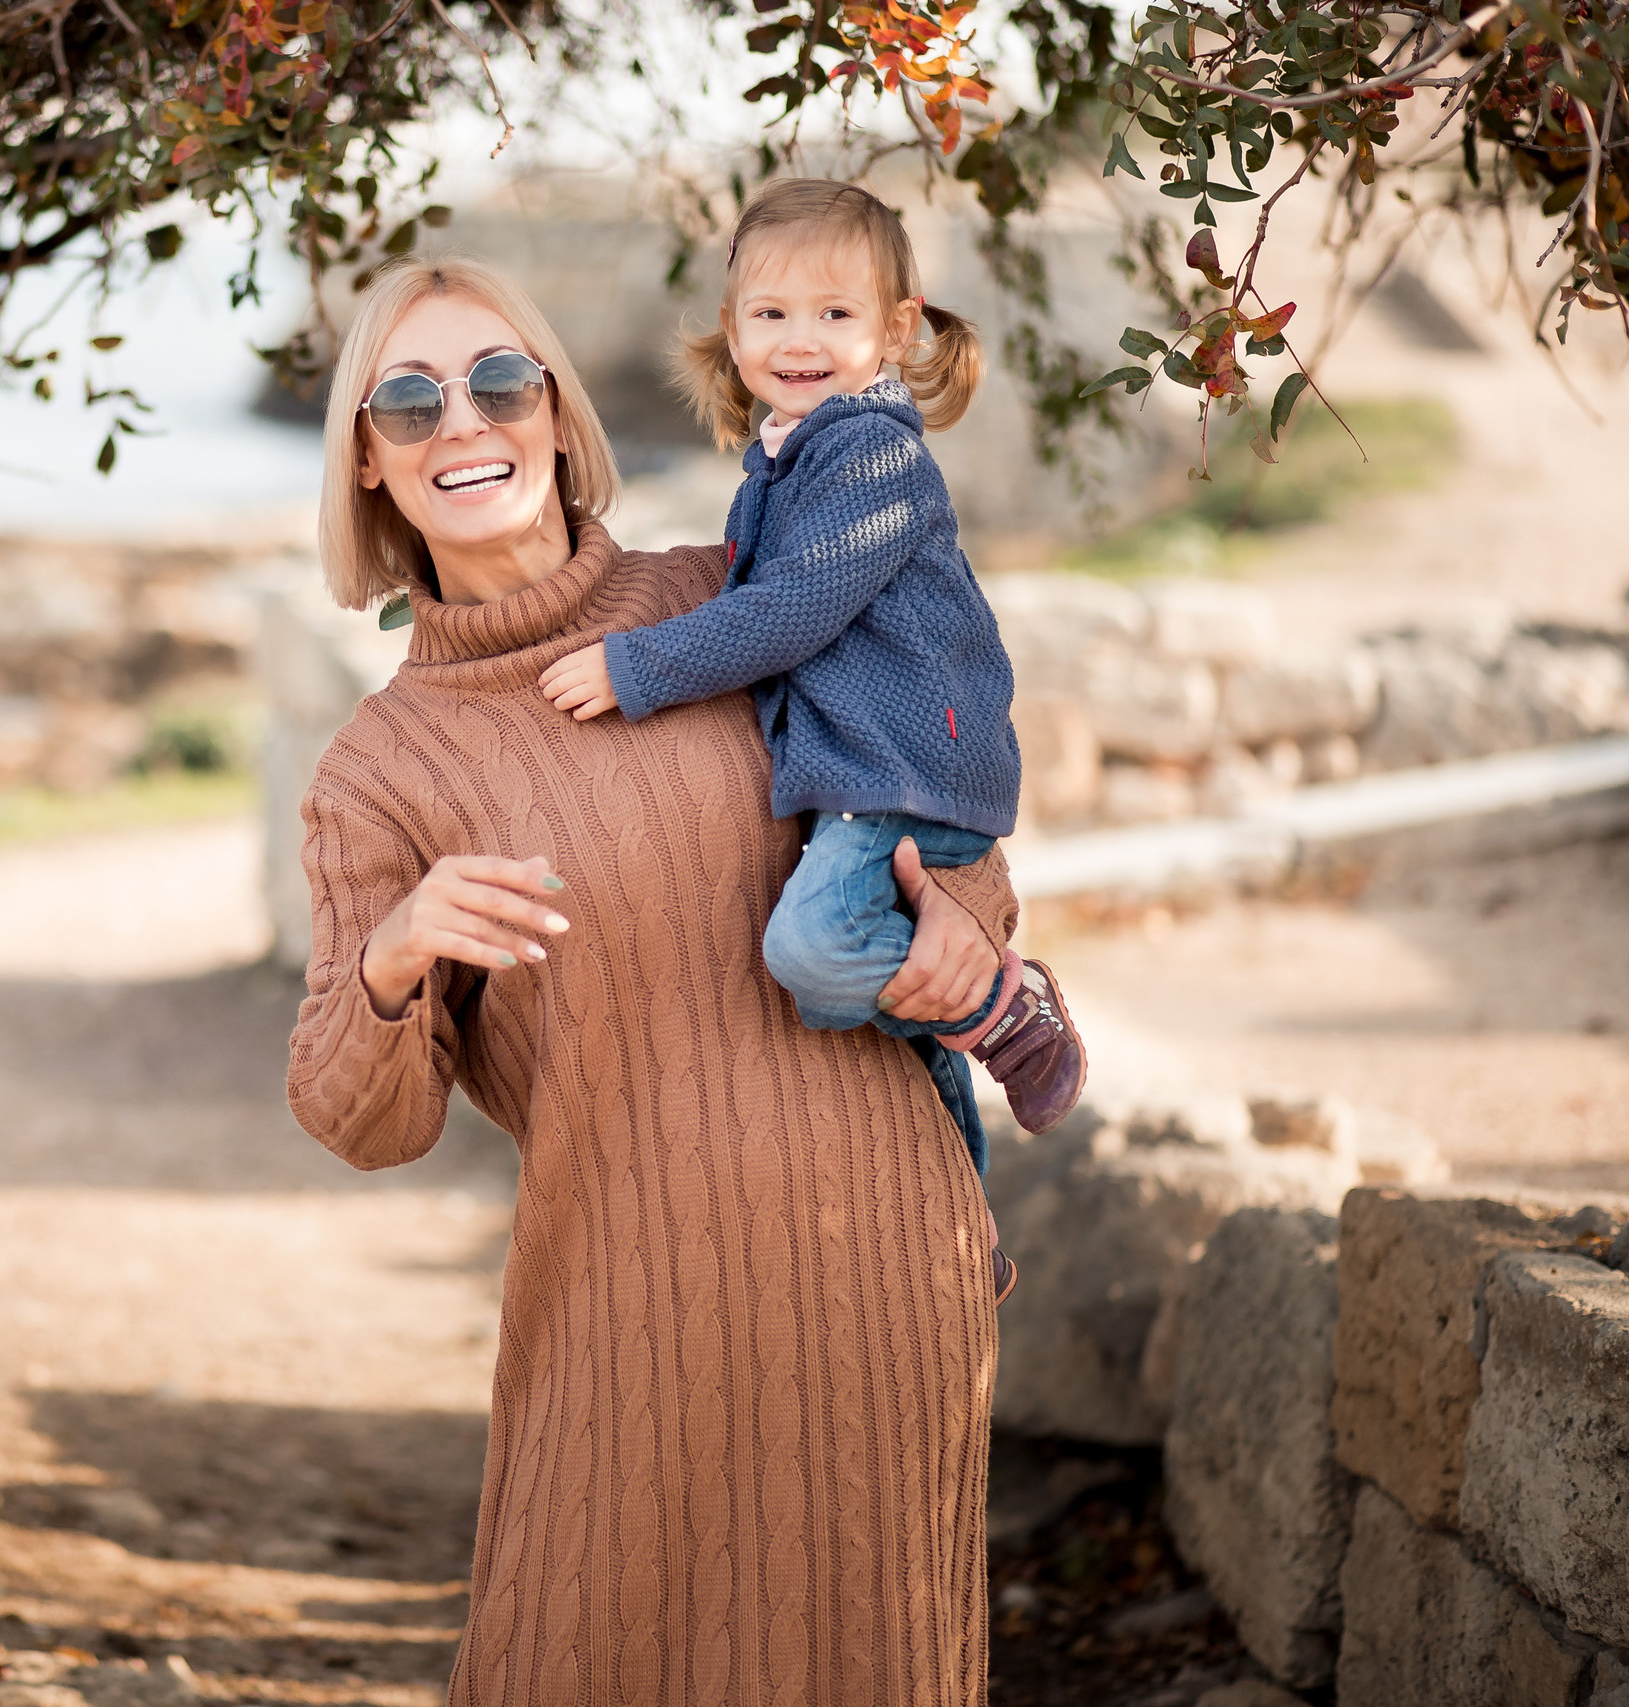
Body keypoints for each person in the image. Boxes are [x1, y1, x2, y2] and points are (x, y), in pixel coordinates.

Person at [285, 251, 1011, 1706]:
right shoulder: (383, 769)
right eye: (409, 403)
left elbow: (933, 795)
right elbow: (357, 1115)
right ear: (367, 463)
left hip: (880, 1264)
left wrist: (971, 934)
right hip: (624, 1325)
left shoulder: (731, 602)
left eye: (499, 382)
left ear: (556, 413)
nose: (464, 424)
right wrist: (397, 947)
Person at [536, 179, 1086, 1176]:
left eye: (835, 314)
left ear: (894, 327)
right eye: (772, 313)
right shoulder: (786, 459)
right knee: (892, 1001)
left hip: (904, 768)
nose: (801, 338)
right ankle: (958, 1186)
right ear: (733, 327)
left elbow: (789, 610)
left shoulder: (870, 453)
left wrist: (636, 665)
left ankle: (1010, 1004)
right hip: (872, 769)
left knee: (814, 959)